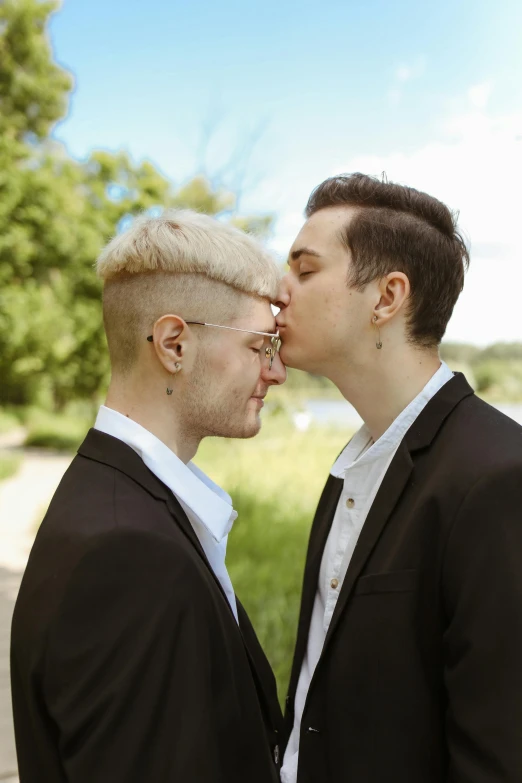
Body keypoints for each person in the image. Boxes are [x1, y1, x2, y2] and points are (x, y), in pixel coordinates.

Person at [10, 210, 286, 783]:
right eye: (261, 345)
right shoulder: (130, 554)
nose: (277, 371)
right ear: (173, 344)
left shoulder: (117, 500)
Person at [275, 173, 522, 783]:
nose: (278, 292)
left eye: (305, 272)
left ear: (386, 298)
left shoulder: (498, 476)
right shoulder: (353, 467)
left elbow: (499, 753)